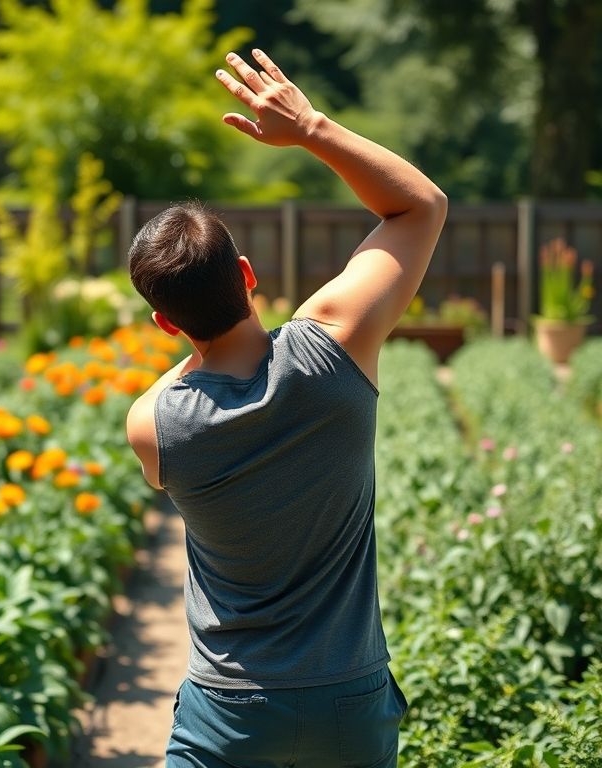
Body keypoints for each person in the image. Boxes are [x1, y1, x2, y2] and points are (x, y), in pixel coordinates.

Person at [126, 48, 446, 768]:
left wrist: (199, 337)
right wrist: (309, 128)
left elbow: (176, 380)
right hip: (349, 699)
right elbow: (421, 205)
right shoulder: (335, 346)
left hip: (228, 711)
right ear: (246, 275)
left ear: (165, 325)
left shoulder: (155, 427)